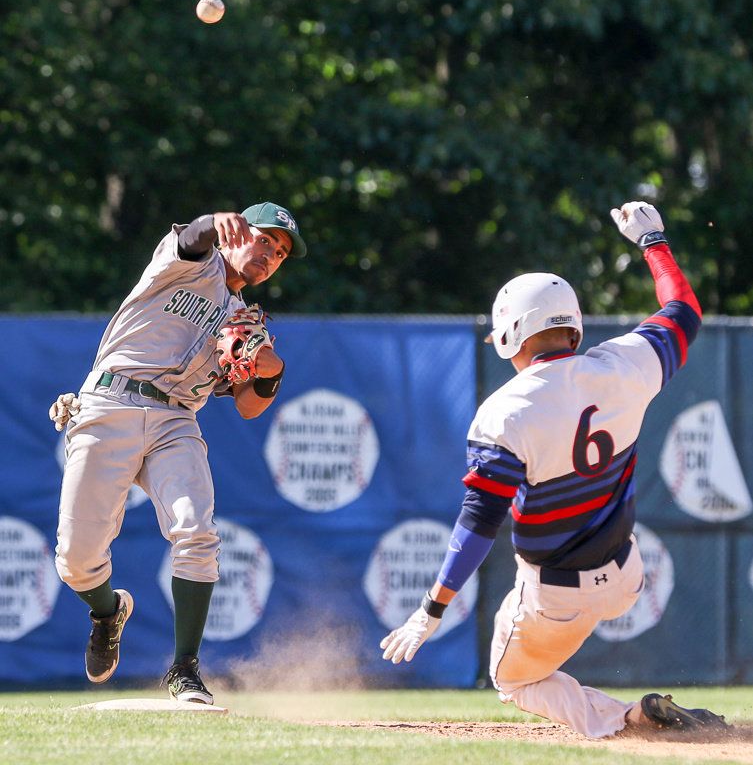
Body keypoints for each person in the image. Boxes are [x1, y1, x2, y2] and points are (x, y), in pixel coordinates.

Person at [380, 201, 729, 738]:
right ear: (573, 327)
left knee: (512, 680)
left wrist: (432, 608)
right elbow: (684, 308)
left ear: (510, 335)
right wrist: (652, 242)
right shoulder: (627, 365)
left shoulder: (504, 412)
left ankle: (628, 718)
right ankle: (634, 714)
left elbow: (478, 524)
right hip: (626, 575)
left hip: (555, 595)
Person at [49, 202, 306, 704]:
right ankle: (107, 611)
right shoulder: (192, 263)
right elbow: (192, 237)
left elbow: (249, 406)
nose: (269, 255)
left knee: (197, 532)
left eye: (279, 253)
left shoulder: (242, 322)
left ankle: (185, 670)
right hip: (112, 401)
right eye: (263, 239)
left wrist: (271, 371)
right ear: (237, 232)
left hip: (176, 420)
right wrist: (213, 223)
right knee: (76, 560)